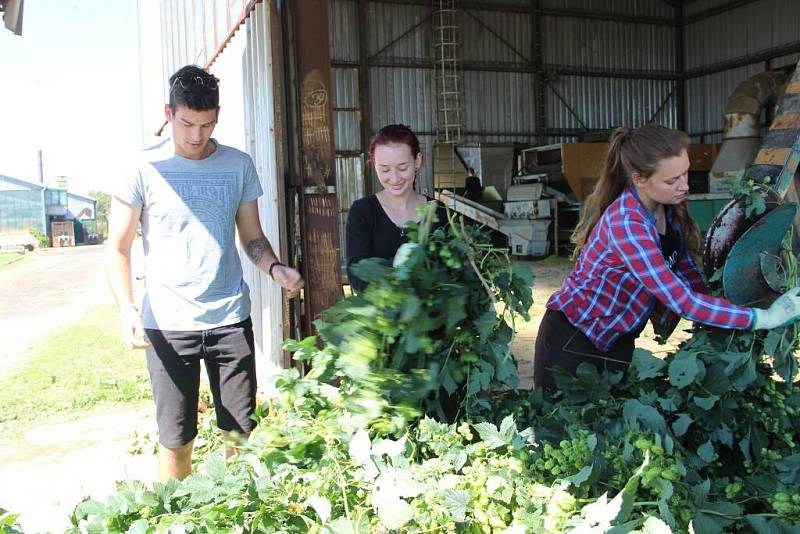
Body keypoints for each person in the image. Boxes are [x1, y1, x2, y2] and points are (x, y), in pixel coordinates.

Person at [107, 64, 304, 482]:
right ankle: (175, 517)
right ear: (169, 112)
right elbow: (118, 248)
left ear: (217, 115)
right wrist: (126, 309)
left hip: (229, 319)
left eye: (207, 124)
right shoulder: (141, 167)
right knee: (176, 442)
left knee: (241, 437)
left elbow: (251, 234)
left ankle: (240, 515)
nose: (196, 136)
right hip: (167, 324)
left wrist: (274, 267)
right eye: (187, 124)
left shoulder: (238, 164)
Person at [533, 124, 800, 393]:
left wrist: (726, 308)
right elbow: (683, 301)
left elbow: (687, 275)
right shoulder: (628, 225)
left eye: (685, 174)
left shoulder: (669, 206)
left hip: (618, 338)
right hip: (573, 342)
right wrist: (764, 317)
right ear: (639, 178)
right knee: (570, 429)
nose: (684, 186)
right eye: (672, 180)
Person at [345, 124, 447, 292]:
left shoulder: (437, 211)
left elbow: (447, 275)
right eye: (384, 169)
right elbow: (357, 275)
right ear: (375, 165)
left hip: (432, 316)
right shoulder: (363, 212)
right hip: (382, 315)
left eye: (402, 168)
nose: (394, 178)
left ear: (417, 161)